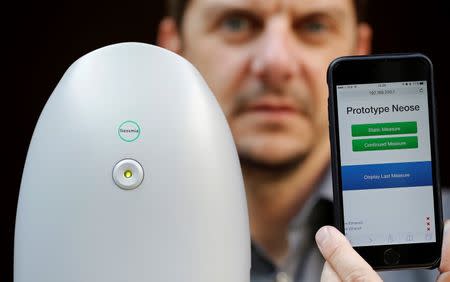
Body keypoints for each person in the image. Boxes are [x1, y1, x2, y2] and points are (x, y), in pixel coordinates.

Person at [157, 0, 450, 281]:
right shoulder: (113, 236)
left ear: (359, 49)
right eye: (236, 23)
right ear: (173, 47)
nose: (276, 64)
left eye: (314, 26)